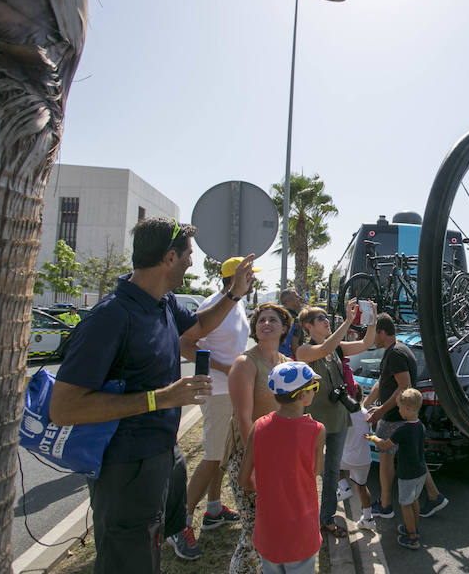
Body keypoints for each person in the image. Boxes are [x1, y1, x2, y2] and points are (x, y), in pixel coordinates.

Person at [48, 217, 255, 573]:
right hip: (124, 469)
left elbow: (200, 325)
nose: (192, 262)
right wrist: (160, 398)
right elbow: (63, 408)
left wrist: (234, 292)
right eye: (188, 255)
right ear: (169, 258)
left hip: (162, 455)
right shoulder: (110, 317)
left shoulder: (163, 303)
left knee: (150, 553)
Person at [178, 256, 261, 548]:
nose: (253, 279)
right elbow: (186, 345)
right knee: (213, 456)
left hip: (232, 390)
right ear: (233, 277)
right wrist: (225, 369)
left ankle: (213, 509)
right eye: (249, 274)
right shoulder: (214, 305)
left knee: (223, 454)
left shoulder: (236, 304)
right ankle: (181, 522)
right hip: (217, 392)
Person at [295, 299, 376, 539]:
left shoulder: (336, 347)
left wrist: (371, 318)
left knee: (331, 472)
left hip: (339, 419)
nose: (326, 321)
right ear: (308, 326)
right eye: (321, 318)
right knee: (308, 472)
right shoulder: (304, 351)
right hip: (314, 423)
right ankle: (303, 517)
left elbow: (367, 343)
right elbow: (324, 349)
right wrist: (349, 320)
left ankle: (326, 519)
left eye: (326, 317)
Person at [224, 302, 293, 573]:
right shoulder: (245, 364)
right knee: (254, 532)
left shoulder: (287, 365)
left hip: (280, 457)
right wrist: (253, 466)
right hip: (249, 455)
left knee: (275, 528)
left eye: (272, 320)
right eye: (261, 320)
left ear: (284, 327)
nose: (266, 324)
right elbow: (243, 419)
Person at [238, 361, 325, 574]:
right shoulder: (316, 430)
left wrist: (266, 490)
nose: (315, 391)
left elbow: (243, 479)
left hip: (268, 529)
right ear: (302, 395)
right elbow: (315, 471)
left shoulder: (258, 427)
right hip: (301, 529)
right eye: (314, 387)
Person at [365, 312, 448, 521]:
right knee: (415, 458)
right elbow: (382, 382)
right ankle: (435, 496)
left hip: (394, 416)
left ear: (381, 332)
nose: (370, 338)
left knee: (385, 458)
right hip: (400, 415)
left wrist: (380, 411)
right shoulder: (396, 350)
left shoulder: (396, 353)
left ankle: (385, 505)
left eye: (373, 332)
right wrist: (364, 405)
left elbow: (404, 386)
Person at [369, 388, 427, 550]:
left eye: (400, 408)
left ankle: (412, 538)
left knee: (405, 504)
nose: (399, 411)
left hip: (407, 474)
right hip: (420, 471)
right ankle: (414, 527)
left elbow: (386, 445)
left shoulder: (402, 430)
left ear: (407, 409)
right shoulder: (420, 426)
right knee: (414, 500)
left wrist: (372, 437)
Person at [338, 393, 376, 531]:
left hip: (347, 458)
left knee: (330, 465)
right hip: (364, 459)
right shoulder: (365, 412)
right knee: (362, 486)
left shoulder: (343, 415)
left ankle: (343, 487)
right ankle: (368, 518)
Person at [278, 288, 304, 358]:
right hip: (289, 359)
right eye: (296, 297)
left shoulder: (278, 316)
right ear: (288, 301)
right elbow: (294, 346)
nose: (300, 298)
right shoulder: (295, 319)